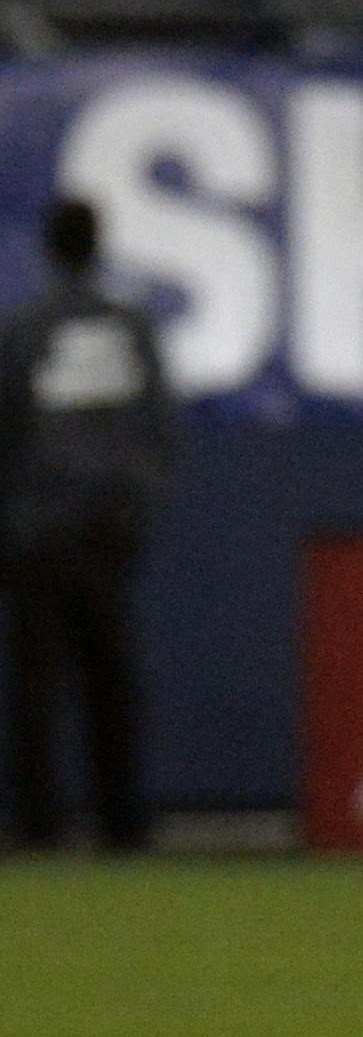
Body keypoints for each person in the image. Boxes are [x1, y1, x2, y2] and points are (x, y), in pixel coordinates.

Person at [0, 198, 174, 852]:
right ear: (98, 246)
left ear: (50, 248)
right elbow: (158, 432)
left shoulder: (25, 329)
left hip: (37, 532)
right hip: (105, 531)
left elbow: (6, 432)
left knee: (36, 688)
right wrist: (132, 512)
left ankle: (39, 826)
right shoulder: (130, 329)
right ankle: (122, 822)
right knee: (110, 683)